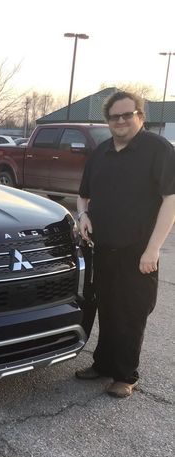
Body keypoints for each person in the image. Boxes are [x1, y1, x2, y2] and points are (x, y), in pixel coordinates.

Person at [75, 90, 175, 398]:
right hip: (103, 248)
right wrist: (83, 215)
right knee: (106, 308)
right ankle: (103, 364)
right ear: (107, 120)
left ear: (140, 116)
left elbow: (170, 199)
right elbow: (82, 194)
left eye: (126, 115)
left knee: (131, 314)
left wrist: (153, 248)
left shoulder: (158, 150)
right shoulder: (102, 152)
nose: (120, 121)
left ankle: (125, 375)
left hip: (138, 250)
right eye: (114, 117)